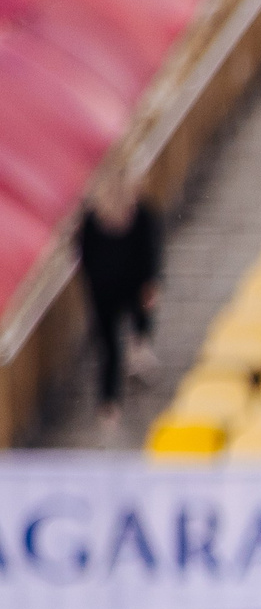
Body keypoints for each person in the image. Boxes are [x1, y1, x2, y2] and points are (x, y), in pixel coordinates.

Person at [76, 176, 163, 440]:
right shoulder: (91, 223)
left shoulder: (142, 216)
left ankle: (139, 344)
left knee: (139, 313)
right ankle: (109, 402)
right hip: (104, 291)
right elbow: (85, 257)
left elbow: (151, 251)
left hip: (131, 284)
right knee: (109, 347)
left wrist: (151, 282)